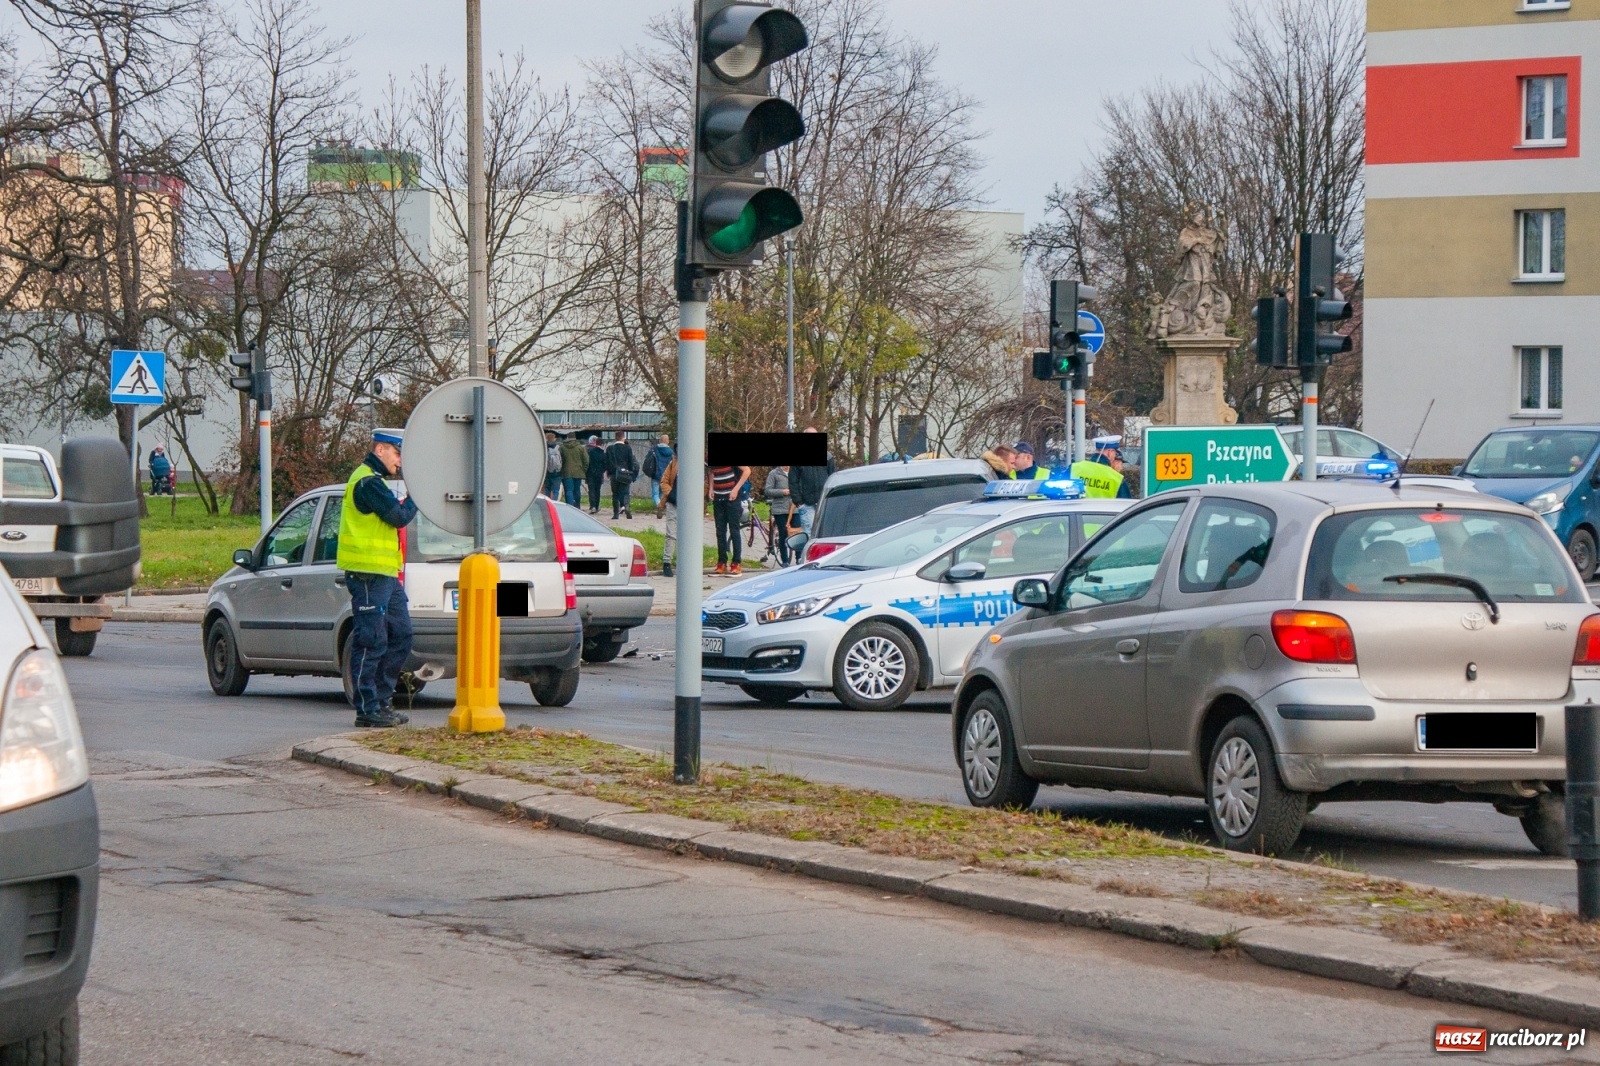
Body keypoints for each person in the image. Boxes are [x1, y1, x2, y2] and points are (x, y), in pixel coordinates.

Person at [336, 428, 419, 729]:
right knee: (372, 640)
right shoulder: (368, 482)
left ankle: (381, 701)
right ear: (380, 449)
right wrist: (417, 495)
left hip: (384, 575)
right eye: (397, 454)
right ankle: (368, 708)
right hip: (368, 575)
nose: (400, 461)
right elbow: (398, 516)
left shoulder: (377, 481)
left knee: (401, 634)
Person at [788, 426, 835, 549]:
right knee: (809, 533)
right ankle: (809, 556)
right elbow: (793, 481)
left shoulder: (828, 457)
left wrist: (832, 497)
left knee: (825, 532)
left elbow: (833, 477)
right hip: (806, 503)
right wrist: (799, 502)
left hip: (824, 501)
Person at [707, 462, 750, 575]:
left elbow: (747, 471)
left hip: (732, 498)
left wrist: (736, 489)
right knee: (720, 531)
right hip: (718, 498)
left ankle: (736, 563)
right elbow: (712, 472)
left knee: (734, 530)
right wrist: (711, 488)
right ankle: (722, 562)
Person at [605, 430, 639, 519]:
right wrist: (631, 473)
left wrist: (608, 472)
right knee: (625, 492)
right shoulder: (628, 448)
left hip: (614, 474)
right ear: (623, 437)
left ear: (615, 438)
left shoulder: (610, 448)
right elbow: (630, 462)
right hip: (625, 474)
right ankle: (626, 506)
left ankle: (616, 514)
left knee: (615, 494)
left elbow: (607, 462)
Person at [764, 464, 793, 566]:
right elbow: (768, 490)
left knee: (798, 533)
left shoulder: (795, 472)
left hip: (794, 508)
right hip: (780, 508)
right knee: (783, 533)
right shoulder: (774, 473)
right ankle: (785, 560)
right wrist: (782, 492)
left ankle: (799, 558)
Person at [642, 433, 674, 515]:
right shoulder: (671, 452)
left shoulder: (654, 449)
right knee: (662, 493)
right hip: (666, 476)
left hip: (656, 474)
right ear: (668, 441)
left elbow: (648, 460)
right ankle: (661, 506)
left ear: (660, 440)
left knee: (655, 494)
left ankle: (659, 507)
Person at [659, 453, 679, 577]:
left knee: (688, 536)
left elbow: (704, 483)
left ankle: (684, 563)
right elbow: (664, 481)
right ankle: (667, 563)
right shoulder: (674, 463)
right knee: (671, 534)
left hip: (691, 506)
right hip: (673, 503)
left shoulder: (697, 463)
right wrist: (671, 495)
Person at [557, 433, 588, 505]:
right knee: (577, 490)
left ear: (567, 437)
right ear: (575, 437)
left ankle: (569, 506)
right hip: (578, 472)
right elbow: (586, 461)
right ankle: (577, 506)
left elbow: (559, 460)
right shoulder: (581, 448)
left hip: (566, 472)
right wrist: (583, 470)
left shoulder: (562, 447)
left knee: (568, 490)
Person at [584, 435, 608, 514]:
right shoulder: (603, 453)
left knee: (591, 490)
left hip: (590, 473)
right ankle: (597, 506)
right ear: (602, 444)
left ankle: (593, 506)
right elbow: (605, 465)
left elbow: (587, 462)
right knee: (597, 490)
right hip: (599, 474)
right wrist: (601, 471)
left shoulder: (590, 452)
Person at [544, 430, 562, 498]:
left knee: (547, 489)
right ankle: (554, 502)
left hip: (547, 472)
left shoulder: (544, 447)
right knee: (556, 490)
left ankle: (547, 502)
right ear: (554, 439)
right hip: (557, 472)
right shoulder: (558, 448)